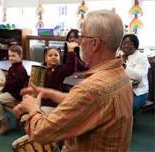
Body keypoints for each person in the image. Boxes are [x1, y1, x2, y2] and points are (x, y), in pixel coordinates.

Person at [13, 10, 133, 151]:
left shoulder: (90, 89)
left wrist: (32, 108)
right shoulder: (122, 75)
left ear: (95, 43)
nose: (79, 42)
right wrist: (48, 93)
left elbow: (40, 132)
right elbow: (83, 102)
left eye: (82, 36)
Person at [0, 45, 28, 135]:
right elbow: (10, 81)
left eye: (13, 56)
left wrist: (4, 84)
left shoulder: (20, 70)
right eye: (9, 56)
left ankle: (4, 121)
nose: (11, 58)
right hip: (8, 91)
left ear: (20, 56)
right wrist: (4, 81)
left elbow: (16, 85)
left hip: (15, 94)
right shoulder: (12, 67)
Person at [120, 34, 150, 114]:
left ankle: (128, 120)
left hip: (138, 91)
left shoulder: (141, 57)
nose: (125, 46)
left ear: (135, 45)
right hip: (122, 88)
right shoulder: (119, 56)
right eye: (123, 43)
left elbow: (138, 76)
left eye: (129, 43)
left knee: (131, 105)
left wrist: (122, 64)